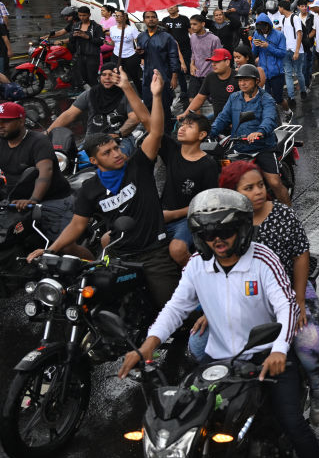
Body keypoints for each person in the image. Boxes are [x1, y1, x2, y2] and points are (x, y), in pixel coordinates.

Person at [117, 188, 319, 458]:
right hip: (218, 362)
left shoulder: (263, 260)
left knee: (293, 424)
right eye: (207, 233)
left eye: (224, 231)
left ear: (241, 229)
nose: (216, 239)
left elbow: (287, 307)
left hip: (265, 356)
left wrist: (279, 349)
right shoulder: (196, 265)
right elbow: (175, 308)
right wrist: (147, 346)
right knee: (192, 424)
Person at [31, 71, 182, 307]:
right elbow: (77, 225)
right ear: (94, 161)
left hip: (154, 253)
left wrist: (151, 93)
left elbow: (156, 131)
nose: (117, 154)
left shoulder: (138, 165)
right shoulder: (90, 189)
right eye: (107, 153)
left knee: (173, 312)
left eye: (116, 148)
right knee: (102, 307)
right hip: (119, 255)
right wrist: (50, 250)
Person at [213, 161, 319, 426]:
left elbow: (301, 255)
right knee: (199, 347)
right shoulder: (224, 223)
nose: (258, 192)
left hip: (290, 289)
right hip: (243, 295)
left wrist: (300, 301)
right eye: (249, 188)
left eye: (260, 186)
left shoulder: (283, 215)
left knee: (311, 345)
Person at [209, 63, 290, 205]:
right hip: (239, 146)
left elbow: (269, 119)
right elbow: (222, 117)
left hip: (263, 147)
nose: (242, 83)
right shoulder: (234, 98)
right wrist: (208, 132)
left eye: (246, 80)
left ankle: (290, 215)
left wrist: (259, 132)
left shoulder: (266, 99)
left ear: (256, 81)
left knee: (275, 183)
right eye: (240, 80)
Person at [0, 101, 73, 242]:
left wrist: (33, 200)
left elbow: (45, 173)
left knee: (62, 247)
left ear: (21, 121)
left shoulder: (39, 141)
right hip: (15, 201)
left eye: (6, 121)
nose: (0, 125)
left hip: (51, 200)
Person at [161, 112, 220, 265]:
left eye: (189, 126)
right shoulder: (171, 151)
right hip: (161, 215)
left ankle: (200, 277)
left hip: (188, 219)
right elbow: (149, 122)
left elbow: (208, 204)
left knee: (177, 249)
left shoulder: (208, 164)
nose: (182, 128)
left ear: (202, 135)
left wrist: (173, 215)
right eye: (182, 125)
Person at [45, 62, 148, 139]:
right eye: (104, 75)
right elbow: (69, 115)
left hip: (119, 140)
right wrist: (47, 133)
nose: (107, 78)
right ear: (100, 77)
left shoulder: (126, 94)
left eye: (111, 74)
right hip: (92, 141)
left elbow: (134, 118)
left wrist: (117, 134)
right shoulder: (91, 93)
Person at [137, 10, 181, 131]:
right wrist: (140, 54)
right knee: (148, 105)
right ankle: (152, 132)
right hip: (147, 77)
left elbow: (173, 56)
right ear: (144, 20)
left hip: (164, 76)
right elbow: (142, 56)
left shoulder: (166, 37)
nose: (150, 19)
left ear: (156, 19)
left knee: (164, 106)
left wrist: (174, 76)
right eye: (148, 17)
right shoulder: (141, 36)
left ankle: (167, 133)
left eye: (153, 17)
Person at [50, 6, 104, 93]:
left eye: (84, 15)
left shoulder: (96, 27)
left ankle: (98, 97)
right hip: (80, 56)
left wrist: (87, 37)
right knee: (83, 78)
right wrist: (71, 37)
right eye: (80, 15)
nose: (82, 18)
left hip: (92, 57)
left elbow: (100, 41)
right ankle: (88, 96)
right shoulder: (76, 25)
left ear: (89, 15)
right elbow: (71, 39)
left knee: (92, 79)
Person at [179, 48, 239, 119]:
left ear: (227, 62)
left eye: (217, 61)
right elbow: (200, 98)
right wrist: (186, 113)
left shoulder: (238, 77)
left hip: (236, 119)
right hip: (219, 120)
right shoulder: (210, 77)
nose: (213, 64)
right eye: (212, 61)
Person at [251, 13, 288, 110]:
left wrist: (268, 46)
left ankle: (288, 111)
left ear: (268, 25)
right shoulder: (257, 34)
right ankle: (273, 118)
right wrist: (255, 45)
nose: (262, 30)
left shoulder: (279, 35)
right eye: (260, 28)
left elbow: (282, 53)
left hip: (277, 73)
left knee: (278, 99)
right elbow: (254, 53)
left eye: (264, 27)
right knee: (266, 99)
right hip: (264, 73)